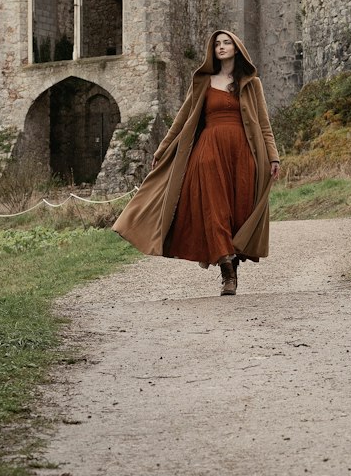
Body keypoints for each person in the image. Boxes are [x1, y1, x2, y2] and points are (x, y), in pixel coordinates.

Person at [112, 30, 281, 296]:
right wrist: (163, 146)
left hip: (244, 154)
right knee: (215, 211)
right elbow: (182, 118)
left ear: (237, 48)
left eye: (227, 43)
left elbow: (263, 124)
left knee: (239, 212)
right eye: (217, 44)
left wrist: (273, 156)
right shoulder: (203, 82)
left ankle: (233, 261)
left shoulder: (252, 83)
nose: (221, 47)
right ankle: (226, 270)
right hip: (209, 153)